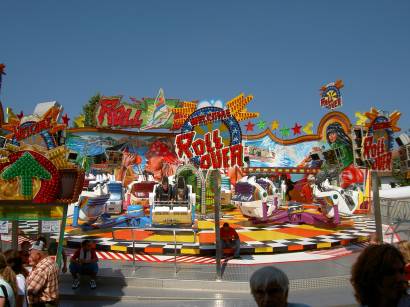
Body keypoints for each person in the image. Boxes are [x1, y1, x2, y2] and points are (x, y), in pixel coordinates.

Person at [326, 122, 363, 189]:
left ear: (338, 133)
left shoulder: (343, 145)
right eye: (329, 135)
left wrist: (336, 161)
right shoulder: (333, 146)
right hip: (344, 170)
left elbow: (346, 157)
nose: (330, 136)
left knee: (351, 184)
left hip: (349, 168)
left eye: (333, 134)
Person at [26, 240, 59, 307]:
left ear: (38, 255)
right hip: (52, 302)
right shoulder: (52, 262)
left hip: (42, 304)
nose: (29, 257)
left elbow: (29, 290)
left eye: (31, 254)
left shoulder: (41, 269)